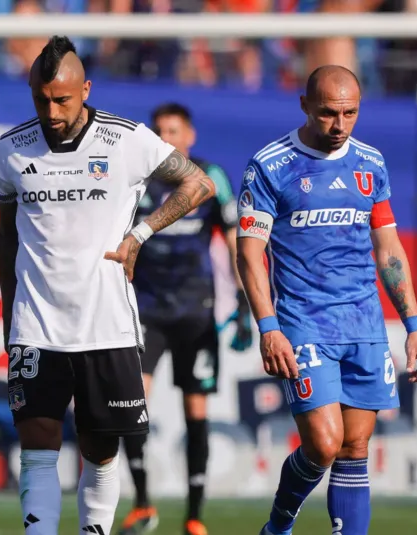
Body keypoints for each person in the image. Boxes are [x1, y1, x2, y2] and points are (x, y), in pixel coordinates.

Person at [0, 36, 216, 535]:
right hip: (37, 325)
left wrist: (140, 233)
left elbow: (200, 184)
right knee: (39, 445)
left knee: (100, 448)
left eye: (62, 100)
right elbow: (6, 237)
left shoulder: (127, 139)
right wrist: (11, 316)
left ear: (85, 89)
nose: (50, 111)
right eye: (41, 99)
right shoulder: (11, 150)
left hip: (107, 326)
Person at [235, 65, 417, 535]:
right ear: (304, 105)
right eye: (328, 113)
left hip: (363, 324)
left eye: (349, 113)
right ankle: (279, 523)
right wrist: (268, 327)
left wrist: (414, 326)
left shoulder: (371, 163)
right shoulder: (270, 165)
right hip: (304, 324)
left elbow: (388, 250)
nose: (339, 124)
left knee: (355, 448)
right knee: (324, 444)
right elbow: (249, 254)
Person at [118, 103, 253, 535]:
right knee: (132, 403)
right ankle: (142, 502)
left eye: (172, 130)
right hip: (147, 310)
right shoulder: (138, 181)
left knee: (196, 409)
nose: (165, 138)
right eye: (158, 131)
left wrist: (247, 307)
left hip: (196, 313)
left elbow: (235, 244)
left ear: (189, 136)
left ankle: (194, 516)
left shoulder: (210, 178)